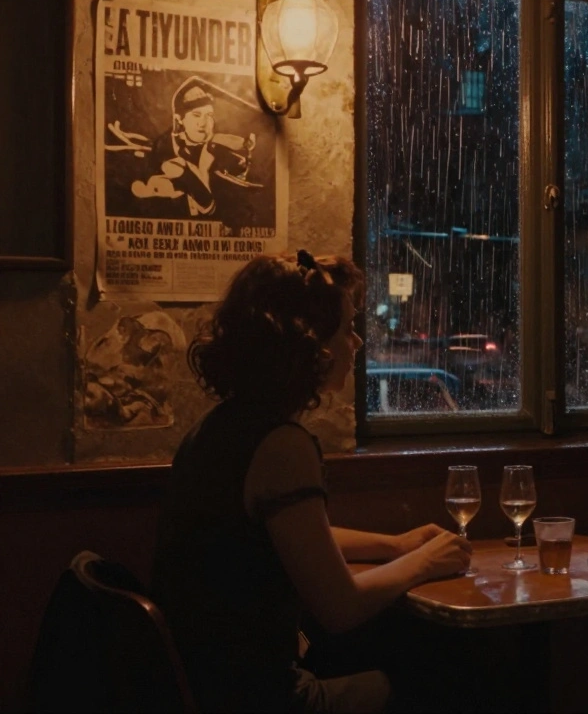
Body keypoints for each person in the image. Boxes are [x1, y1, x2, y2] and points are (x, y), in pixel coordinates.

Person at [151, 251, 473, 713]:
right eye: (346, 329)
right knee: (443, 667)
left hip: (208, 682)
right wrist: (424, 563)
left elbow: (297, 538)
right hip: (257, 697)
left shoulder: (224, 426)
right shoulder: (281, 446)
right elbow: (340, 607)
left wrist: (396, 545)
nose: (357, 341)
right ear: (308, 347)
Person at [130, 76, 260, 220]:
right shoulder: (164, 148)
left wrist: (245, 144)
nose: (204, 123)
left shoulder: (214, 147)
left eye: (209, 115)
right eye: (196, 115)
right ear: (180, 120)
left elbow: (224, 139)